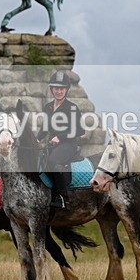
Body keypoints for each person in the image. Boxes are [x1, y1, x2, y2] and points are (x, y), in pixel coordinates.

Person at [36, 70, 85, 210]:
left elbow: (80, 129)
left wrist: (61, 137)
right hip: (52, 144)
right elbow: (44, 128)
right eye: (56, 88)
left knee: (53, 161)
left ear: (66, 90)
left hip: (68, 144)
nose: (59, 91)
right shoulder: (48, 107)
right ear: (52, 89)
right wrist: (37, 139)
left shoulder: (72, 108)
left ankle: (64, 198)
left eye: (62, 89)